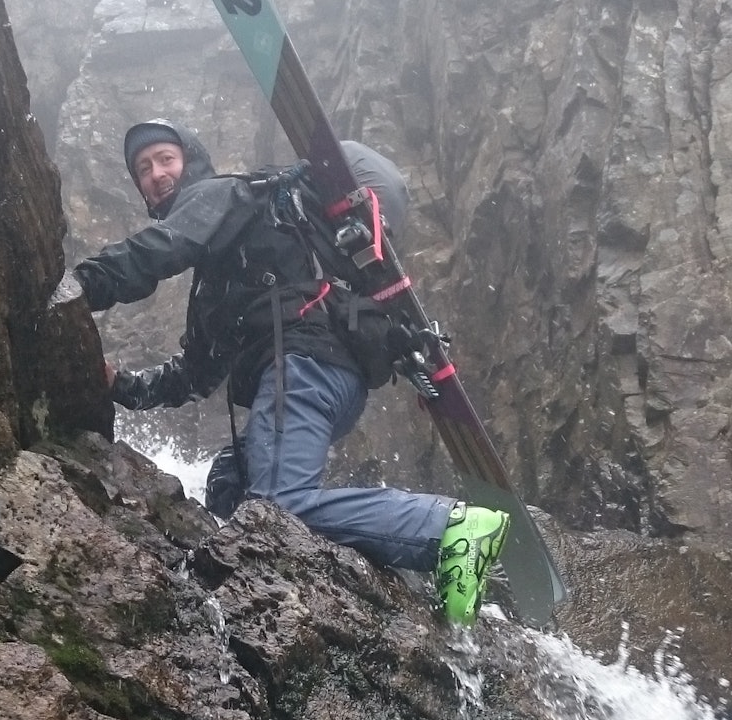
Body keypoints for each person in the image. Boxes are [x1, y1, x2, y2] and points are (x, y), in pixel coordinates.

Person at [72, 118, 508, 626]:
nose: (156, 174)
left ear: (190, 159)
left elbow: (158, 251)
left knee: (280, 507)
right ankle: (390, 581)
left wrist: (83, 284)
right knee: (230, 484)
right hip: (321, 379)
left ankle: (449, 531)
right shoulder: (220, 282)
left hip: (302, 366)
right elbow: (192, 375)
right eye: (143, 169)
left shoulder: (223, 194)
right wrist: (120, 387)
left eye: (165, 159)